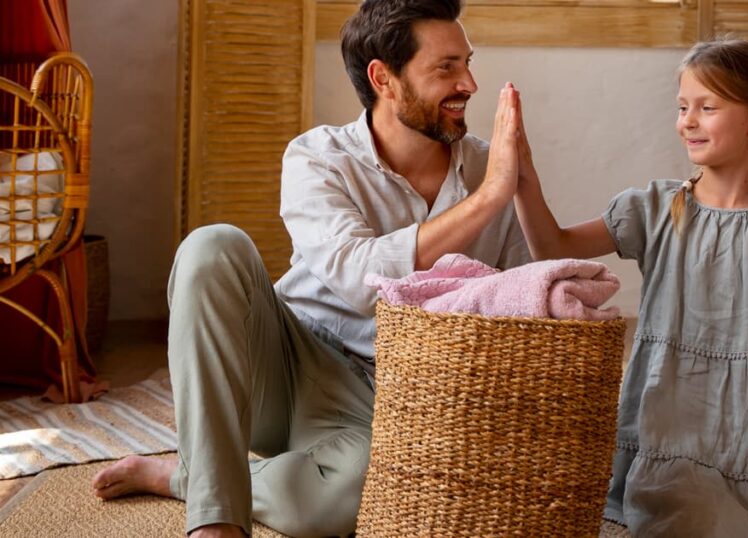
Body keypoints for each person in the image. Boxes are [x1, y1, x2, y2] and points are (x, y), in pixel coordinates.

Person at [89, 1, 529, 536]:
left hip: (383, 398)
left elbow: (521, 302)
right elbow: (359, 281)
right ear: (383, 79)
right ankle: (216, 518)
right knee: (211, 246)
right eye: (446, 67)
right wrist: (489, 198)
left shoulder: (489, 166)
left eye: (467, 62)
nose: (469, 83)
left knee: (353, 499)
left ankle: (193, 477)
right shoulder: (317, 157)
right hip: (286, 362)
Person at [512, 39, 748, 536]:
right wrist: (521, 177)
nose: (687, 121)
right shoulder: (654, 208)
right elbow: (551, 246)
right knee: (693, 517)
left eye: (707, 108)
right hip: (674, 443)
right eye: (683, 107)